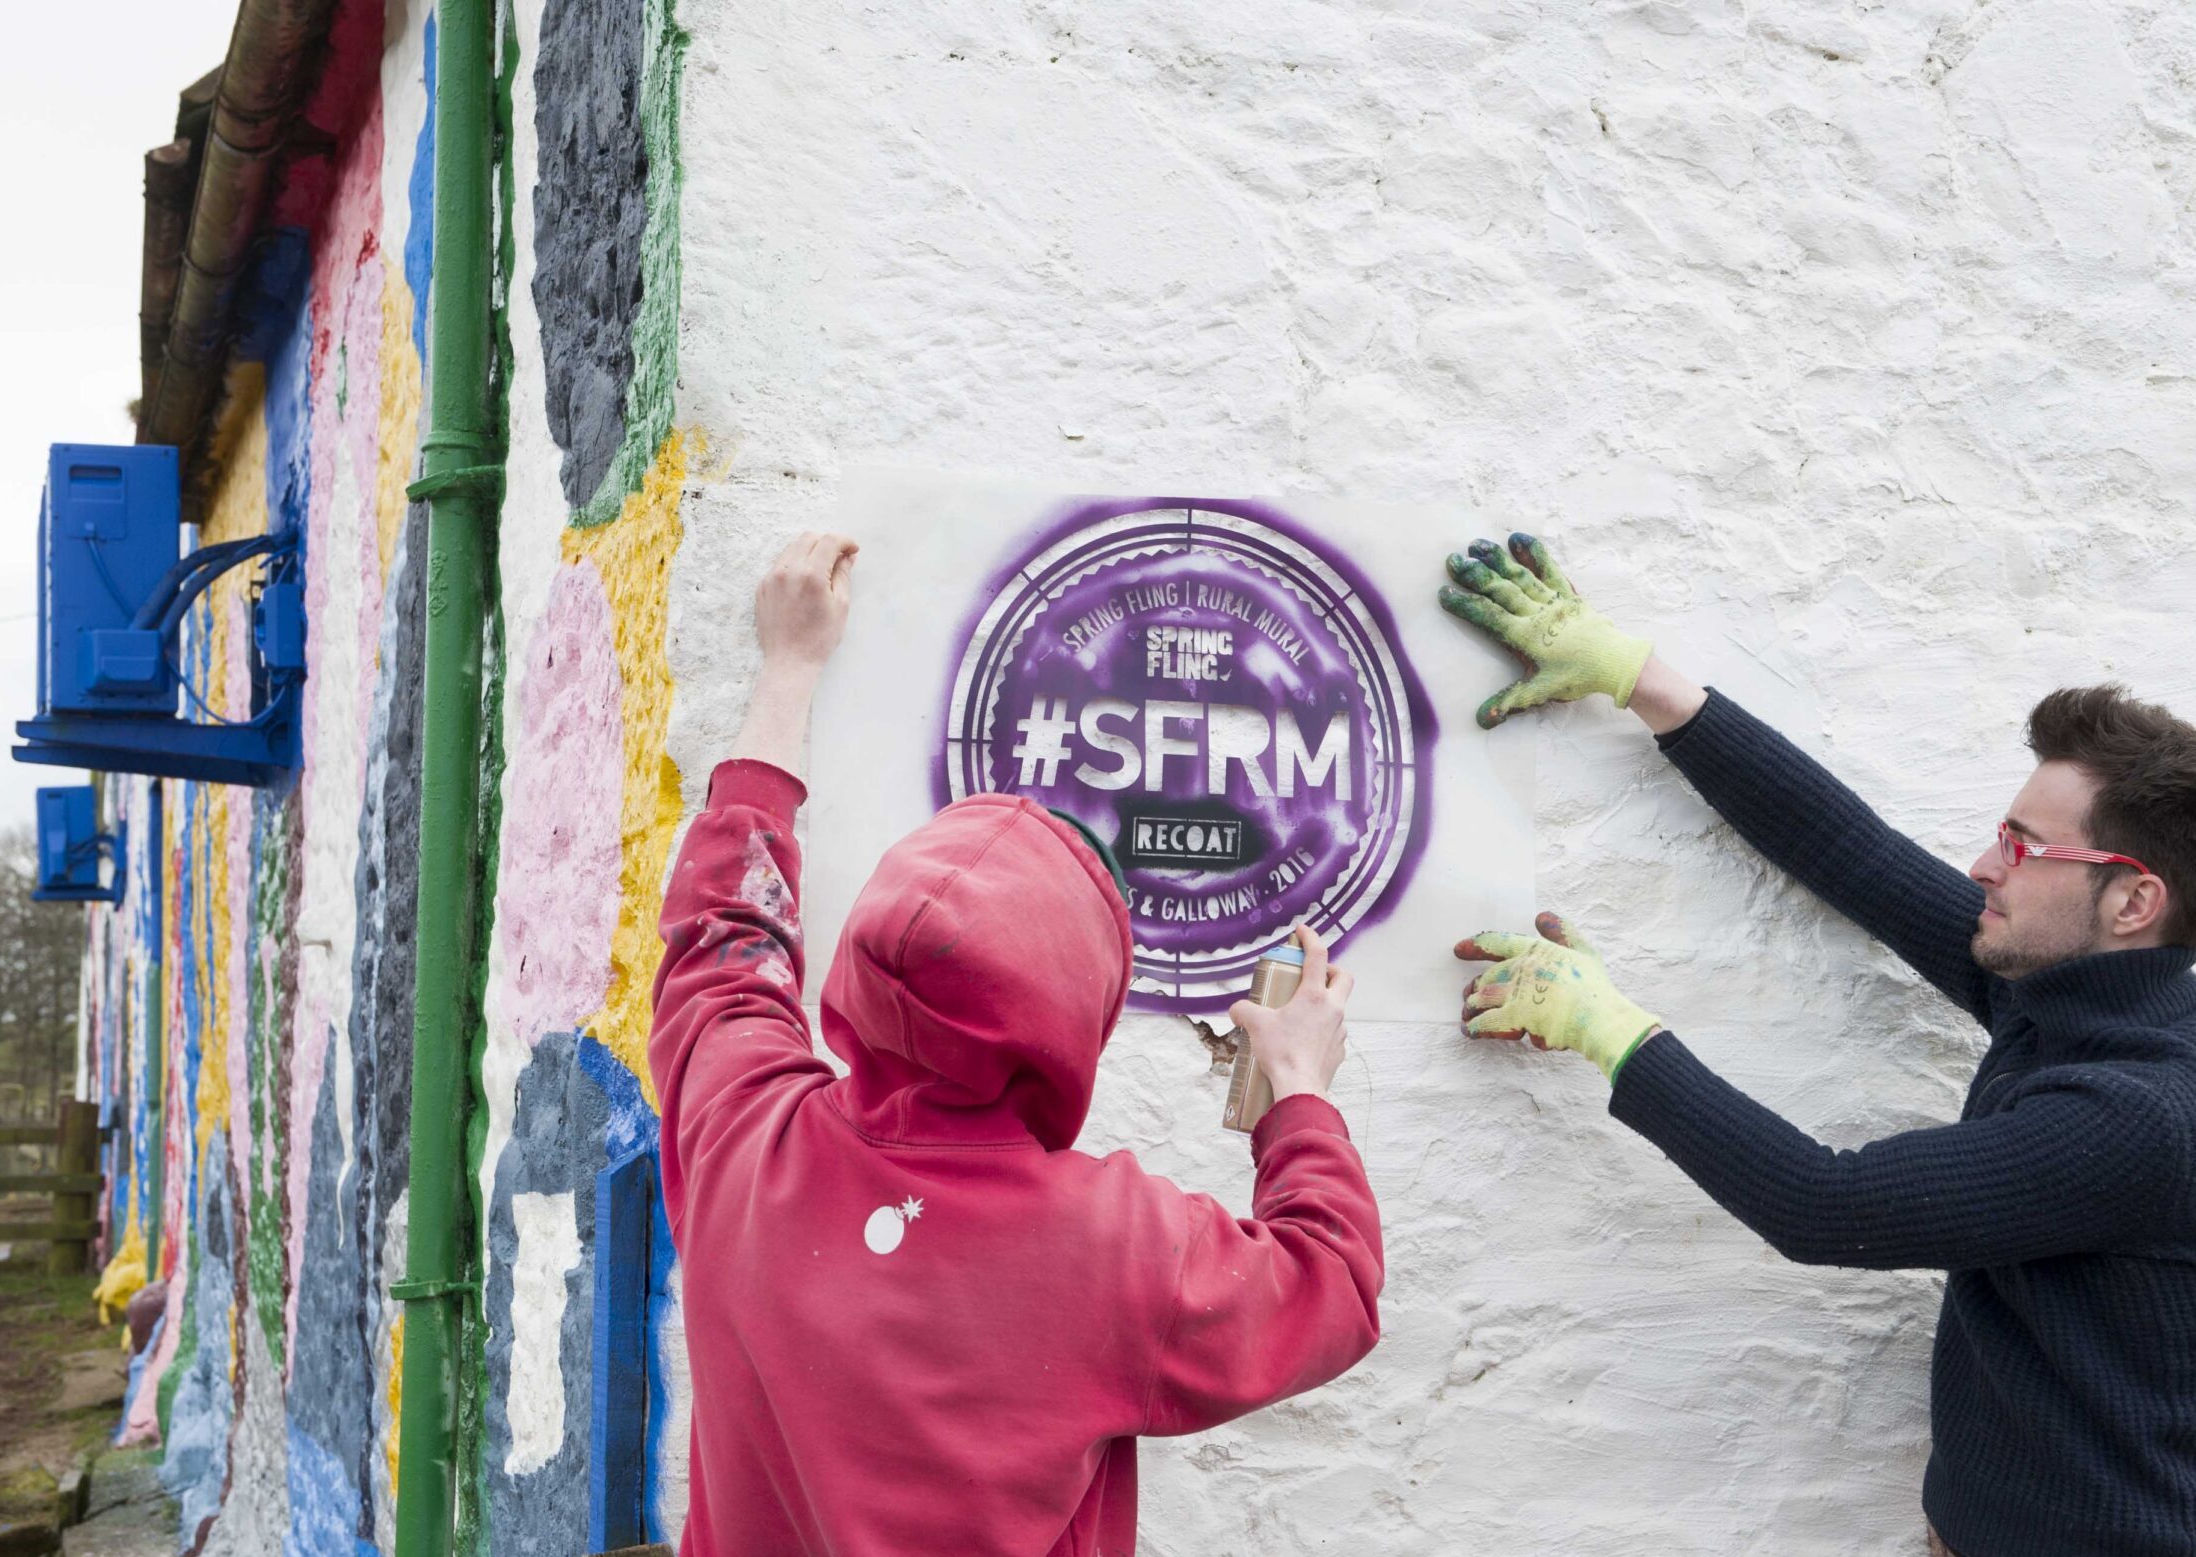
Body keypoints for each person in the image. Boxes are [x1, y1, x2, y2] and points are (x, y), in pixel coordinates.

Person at [1437, 532, 2196, 1557]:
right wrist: (1639, 678)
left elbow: (1828, 1205)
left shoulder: (2137, 1118)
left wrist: (1608, 1029)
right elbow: (1858, 856)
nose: (1984, 864)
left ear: (2134, 900)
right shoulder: (2068, 997)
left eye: (2022, 847)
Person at [648, 532, 1384, 1556]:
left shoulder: (743, 1127)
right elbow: (1330, 1286)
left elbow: (728, 929)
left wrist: (789, 666)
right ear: (1073, 1016)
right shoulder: (1120, 1251)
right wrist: (1298, 1092)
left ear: (862, 968)